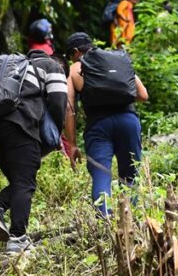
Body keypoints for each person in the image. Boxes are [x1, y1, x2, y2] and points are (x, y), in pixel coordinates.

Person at [0, 19, 67, 253]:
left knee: (21, 181)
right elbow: (59, 104)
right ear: (50, 48)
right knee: (25, 183)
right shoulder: (51, 66)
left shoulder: (15, 67)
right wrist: (53, 136)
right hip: (22, 127)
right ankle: (17, 239)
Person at [63, 32, 149, 216]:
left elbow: (69, 109)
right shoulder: (115, 60)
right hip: (128, 121)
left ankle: (105, 223)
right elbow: (143, 95)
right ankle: (132, 222)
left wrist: (72, 145)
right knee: (131, 175)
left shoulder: (75, 69)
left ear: (76, 52)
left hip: (98, 126)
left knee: (102, 175)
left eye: (70, 55)